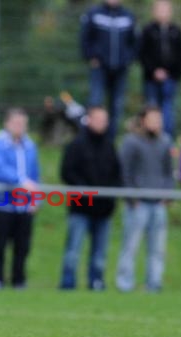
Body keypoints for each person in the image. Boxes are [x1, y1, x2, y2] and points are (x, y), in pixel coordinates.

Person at [59, 106, 121, 290]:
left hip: (104, 209)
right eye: (98, 119)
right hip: (81, 208)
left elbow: (117, 173)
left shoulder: (110, 145)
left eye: (105, 120)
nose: (102, 123)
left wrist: (109, 194)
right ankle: (68, 284)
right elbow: (67, 172)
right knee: (73, 250)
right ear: (89, 120)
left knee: (100, 253)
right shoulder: (76, 144)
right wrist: (85, 191)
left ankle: (96, 282)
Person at [116, 106, 174, 292]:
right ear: (143, 120)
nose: (157, 123)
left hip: (158, 203)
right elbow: (124, 172)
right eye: (153, 119)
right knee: (130, 246)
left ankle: (154, 283)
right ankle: (125, 284)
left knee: (158, 249)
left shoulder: (165, 141)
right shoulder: (131, 142)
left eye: (159, 119)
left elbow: (169, 172)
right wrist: (132, 197)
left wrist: (168, 194)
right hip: (138, 204)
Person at [0, 108, 40, 289]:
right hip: (2, 204)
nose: (20, 127)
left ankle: (19, 282)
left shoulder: (30, 146)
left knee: (22, 247)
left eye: (23, 124)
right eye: (16, 123)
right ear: (7, 123)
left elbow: (35, 174)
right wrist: (21, 181)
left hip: (23, 207)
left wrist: (35, 199)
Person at [80, 0, 137, 140]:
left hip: (120, 69)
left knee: (116, 107)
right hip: (99, 68)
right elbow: (85, 38)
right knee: (95, 102)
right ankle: (90, 139)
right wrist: (91, 57)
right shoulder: (94, 13)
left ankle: (109, 141)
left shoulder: (128, 16)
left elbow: (135, 41)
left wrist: (128, 59)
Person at [139, 0, 181, 140]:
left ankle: (167, 140)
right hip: (151, 78)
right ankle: (150, 137)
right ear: (154, 12)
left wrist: (171, 73)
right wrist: (154, 71)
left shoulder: (176, 31)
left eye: (166, 9)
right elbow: (142, 54)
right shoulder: (147, 30)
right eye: (160, 9)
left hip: (170, 78)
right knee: (151, 108)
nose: (163, 13)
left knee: (168, 110)